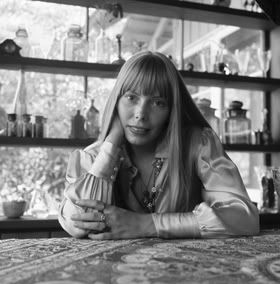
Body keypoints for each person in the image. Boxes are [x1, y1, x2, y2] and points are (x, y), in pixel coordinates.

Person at [58, 51, 259, 239]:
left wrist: (146, 224)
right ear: (116, 101)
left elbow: (244, 218)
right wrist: (110, 146)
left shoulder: (198, 144)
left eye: (157, 102)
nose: (140, 114)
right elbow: (78, 221)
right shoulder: (95, 156)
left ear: (172, 110)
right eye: (131, 97)